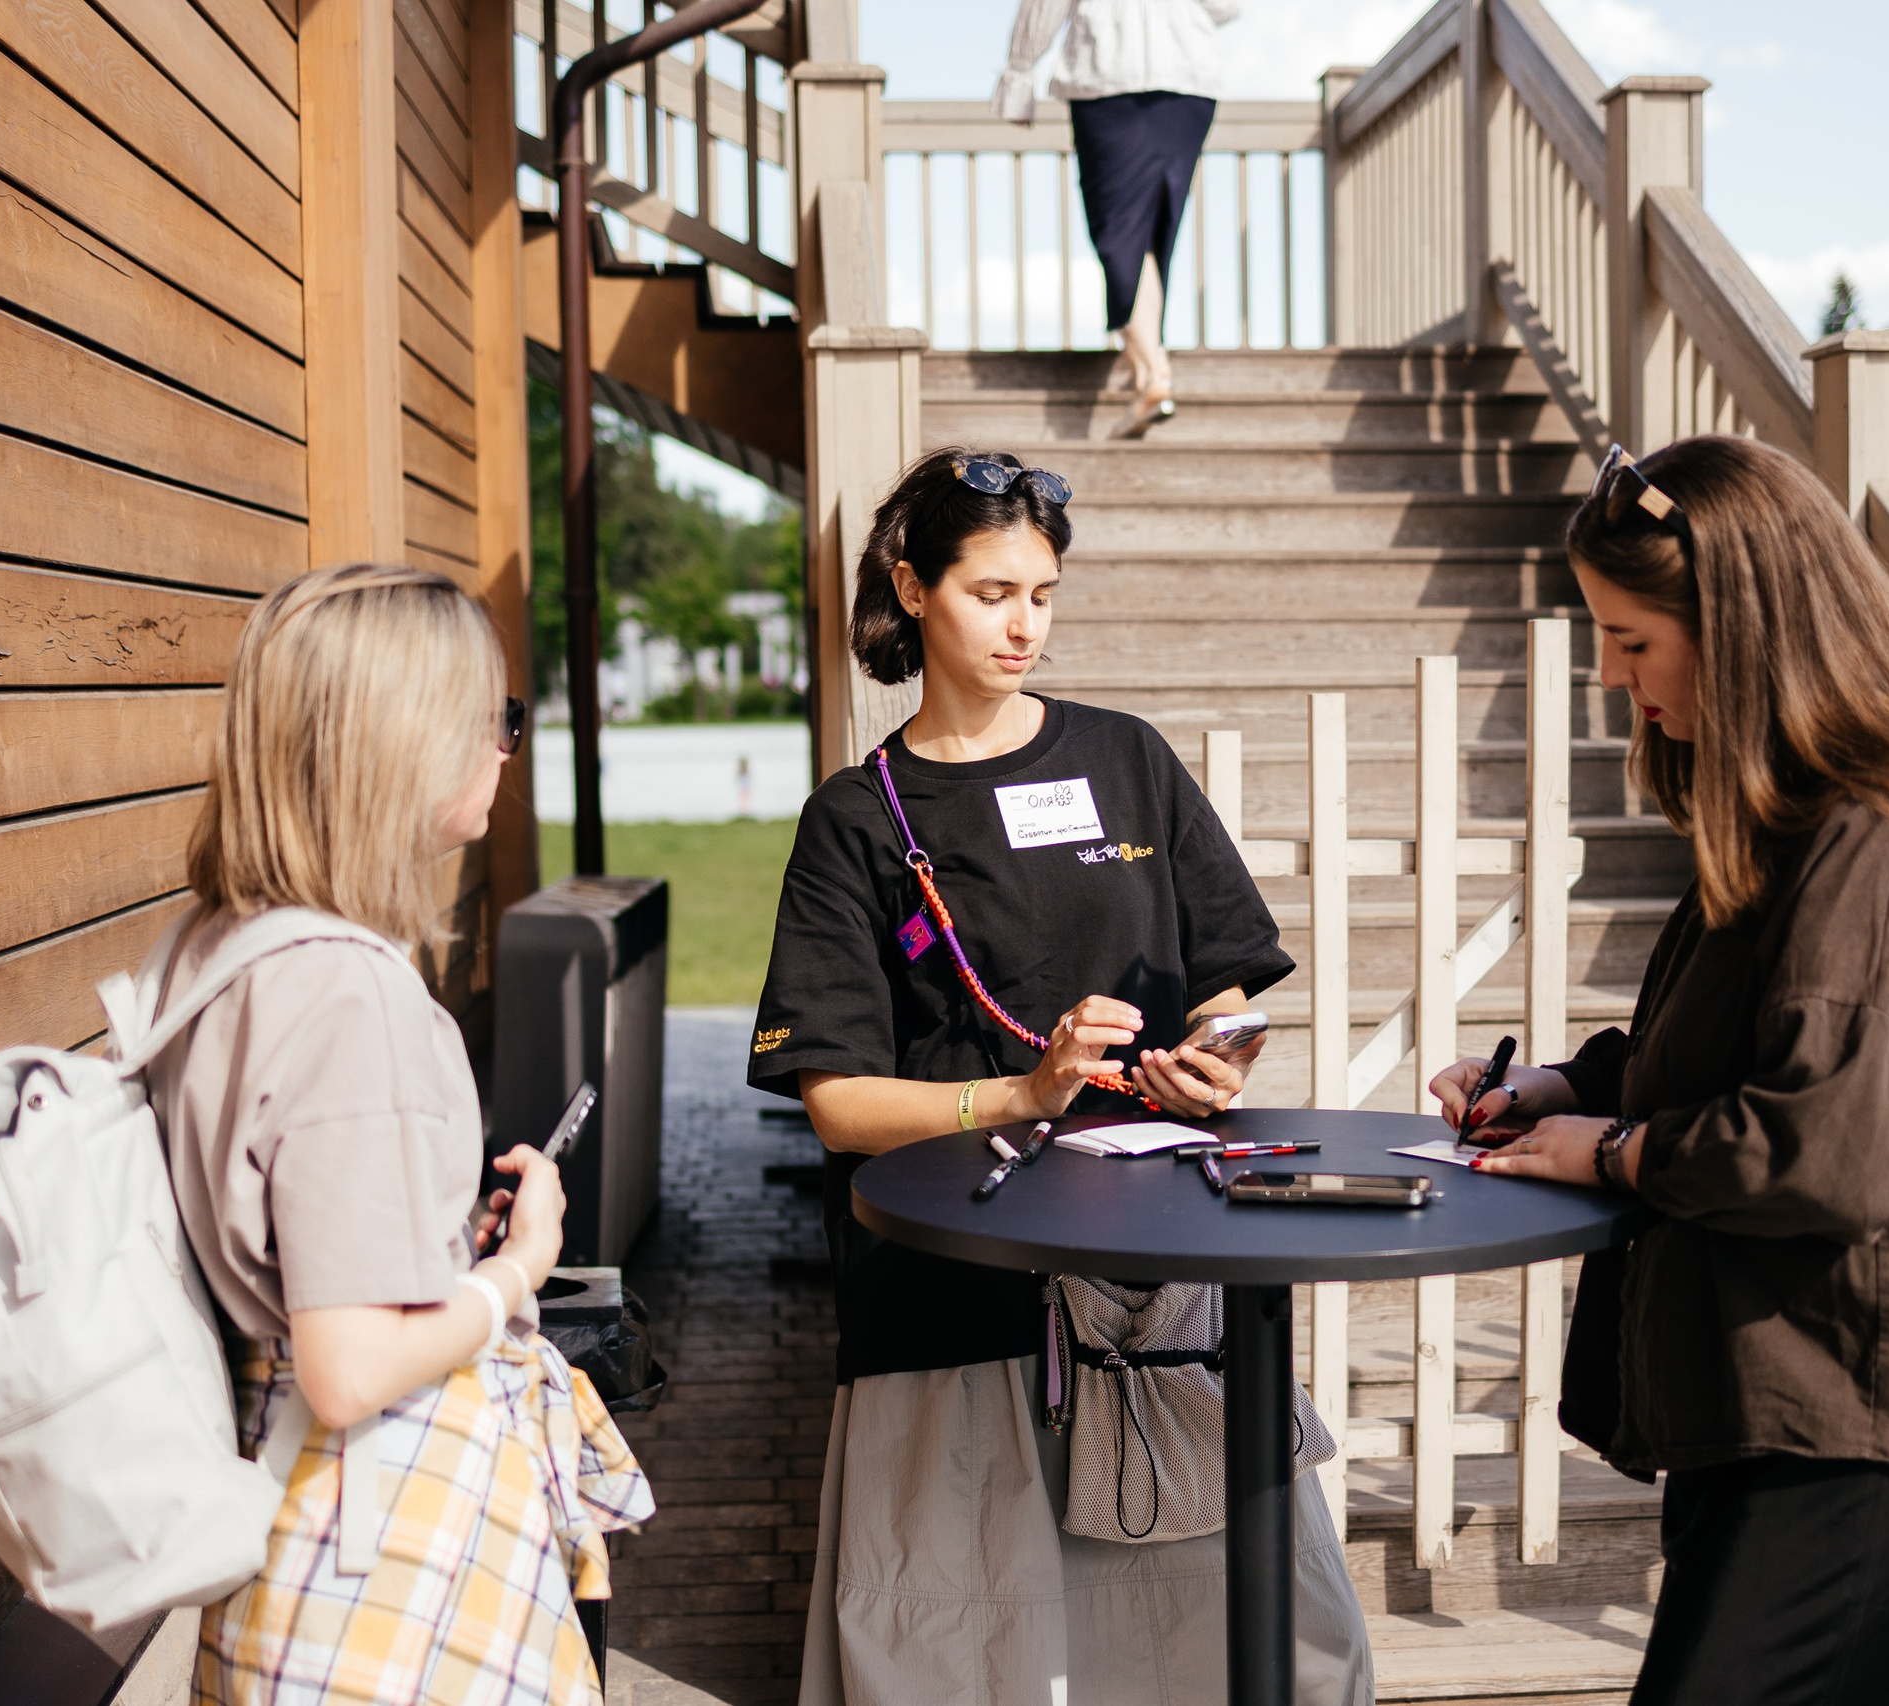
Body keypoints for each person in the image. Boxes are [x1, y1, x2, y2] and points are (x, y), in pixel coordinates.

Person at [1431, 439, 1889, 1706]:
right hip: (1827, 1408)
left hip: (1881, 1428)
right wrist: (1569, 1086)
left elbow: (1836, 1136)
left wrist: (1618, 1151)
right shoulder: (1811, 817)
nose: (1611, 675)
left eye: (1636, 640)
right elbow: (1756, 1044)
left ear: (1748, 627)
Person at [750, 448, 1372, 1704]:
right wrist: (1024, 1095)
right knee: (967, 1646)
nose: (1023, 621)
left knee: (1216, 1638)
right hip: (950, 1301)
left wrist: (1211, 1060)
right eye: (990, 592)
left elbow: (1224, 993)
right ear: (911, 587)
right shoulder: (857, 820)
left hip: (1157, 1275)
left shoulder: (1129, 759)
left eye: (1041, 590)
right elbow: (838, 1101)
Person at [149, 564, 654, 1705]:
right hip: (375, 1559)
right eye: (497, 717)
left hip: (291, 1539)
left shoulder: (215, 950)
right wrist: (517, 1269)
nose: (506, 746)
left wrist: (434, 1244)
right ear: (407, 741)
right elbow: (350, 1364)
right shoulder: (350, 997)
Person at [994, 0, 1238, 438]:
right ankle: (1148, 375)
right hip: (1184, 75)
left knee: (1122, 229)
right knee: (1147, 226)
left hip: (1111, 78)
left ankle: (1154, 373)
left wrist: (1019, 71)